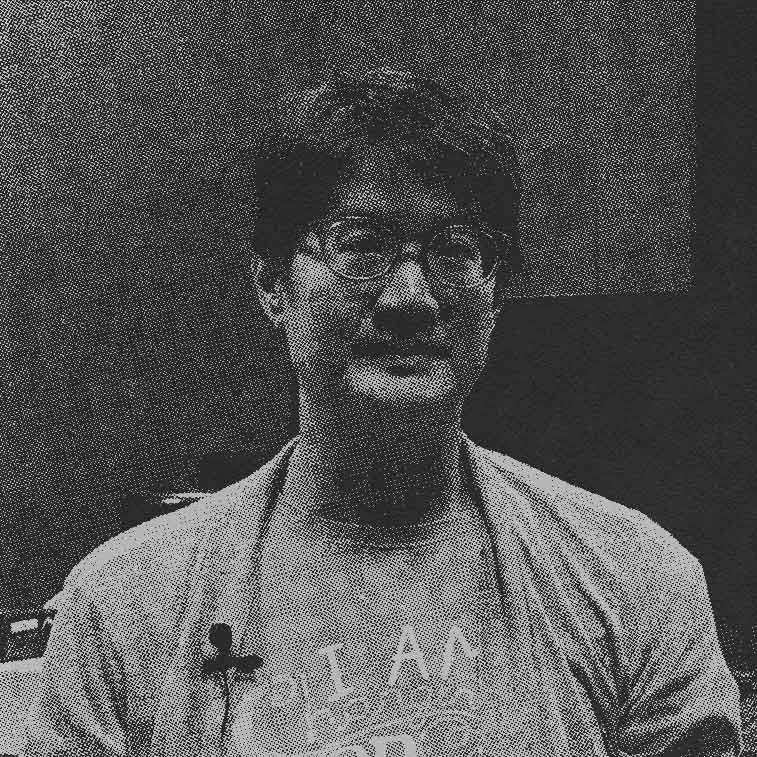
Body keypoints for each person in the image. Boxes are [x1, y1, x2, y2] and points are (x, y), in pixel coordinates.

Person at [24, 68, 741, 757]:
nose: (410, 298)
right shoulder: (125, 609)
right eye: (361, 245)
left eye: (454, 251)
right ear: (273, 282)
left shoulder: (634, 581)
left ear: (494, 291)